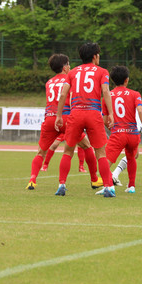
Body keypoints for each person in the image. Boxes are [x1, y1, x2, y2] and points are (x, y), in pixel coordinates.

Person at [27, 54, 99, 190]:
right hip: (66, 118)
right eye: (69, 64)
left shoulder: (48, 83)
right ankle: (94, 179)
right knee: (86, 147)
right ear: (65, 67)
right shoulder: (70, 78)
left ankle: (32, 180)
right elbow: (70, 97)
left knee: (40, 153)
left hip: (49, 119)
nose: (70, 66)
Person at [54, 42, 116, 197]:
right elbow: (106, 92)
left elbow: (63, 95)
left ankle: (61, 184)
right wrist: (111, 114)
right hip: (93, 113)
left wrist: (59, 115)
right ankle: (108, 187)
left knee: (68, 150)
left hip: (75, 113)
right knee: (100, 153)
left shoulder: (72, 72)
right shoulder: (102, 72)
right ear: (95, 56)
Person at [97, 66, 142, 194]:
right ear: (127, 80)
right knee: (131, 157)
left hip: (118, 133)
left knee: (105, 161)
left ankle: (108, 186)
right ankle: (131, 186)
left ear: (113, 80)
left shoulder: (107, 96)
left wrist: (111, 127)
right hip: (133, 133)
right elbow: (141, 111)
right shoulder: (135, 94)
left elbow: (104, 119)